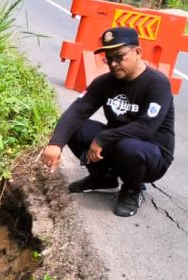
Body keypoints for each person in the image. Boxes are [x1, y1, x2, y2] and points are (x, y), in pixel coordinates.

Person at [41, 27, 175, 217]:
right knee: (77, 128)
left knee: (130, 148)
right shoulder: (105, 82)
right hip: (118, 144)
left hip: (151, 154)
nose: (113, 63)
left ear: (138, 52)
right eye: (108, 58)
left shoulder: (157, 84)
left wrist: (104, 137)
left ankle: (132, 189)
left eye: (119, 56)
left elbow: (146, 128)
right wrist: (56, 143)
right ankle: (103, 178)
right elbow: (77, 111)